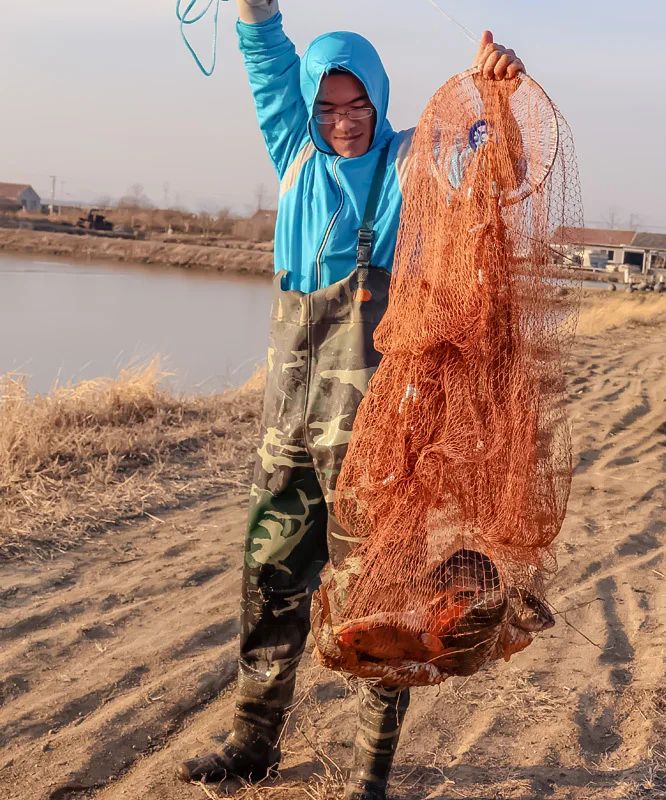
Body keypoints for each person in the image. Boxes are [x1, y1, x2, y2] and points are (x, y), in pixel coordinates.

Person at [178, 2, 526, 798]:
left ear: (380, 98)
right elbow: (264, 50)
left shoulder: (415, 163)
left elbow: (492, 170)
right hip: (287, 430)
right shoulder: (293, 153)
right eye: (328, 107)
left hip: (377, 435)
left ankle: (368, 776)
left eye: (357, 105)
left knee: (382, 605)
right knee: (267, 577)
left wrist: (495, 97)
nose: (342, 123)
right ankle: (252, 744)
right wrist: (252, 7)